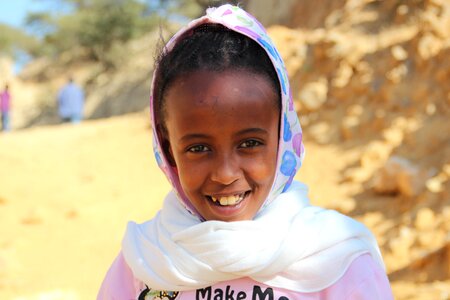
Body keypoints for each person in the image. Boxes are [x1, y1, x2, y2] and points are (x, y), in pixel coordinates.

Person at [98, 4, 393, 299]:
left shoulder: (337, 259)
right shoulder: (143, 263)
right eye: (198, 148)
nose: (225, 174)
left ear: (283, 137)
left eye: (249, 144)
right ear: (168, 149)